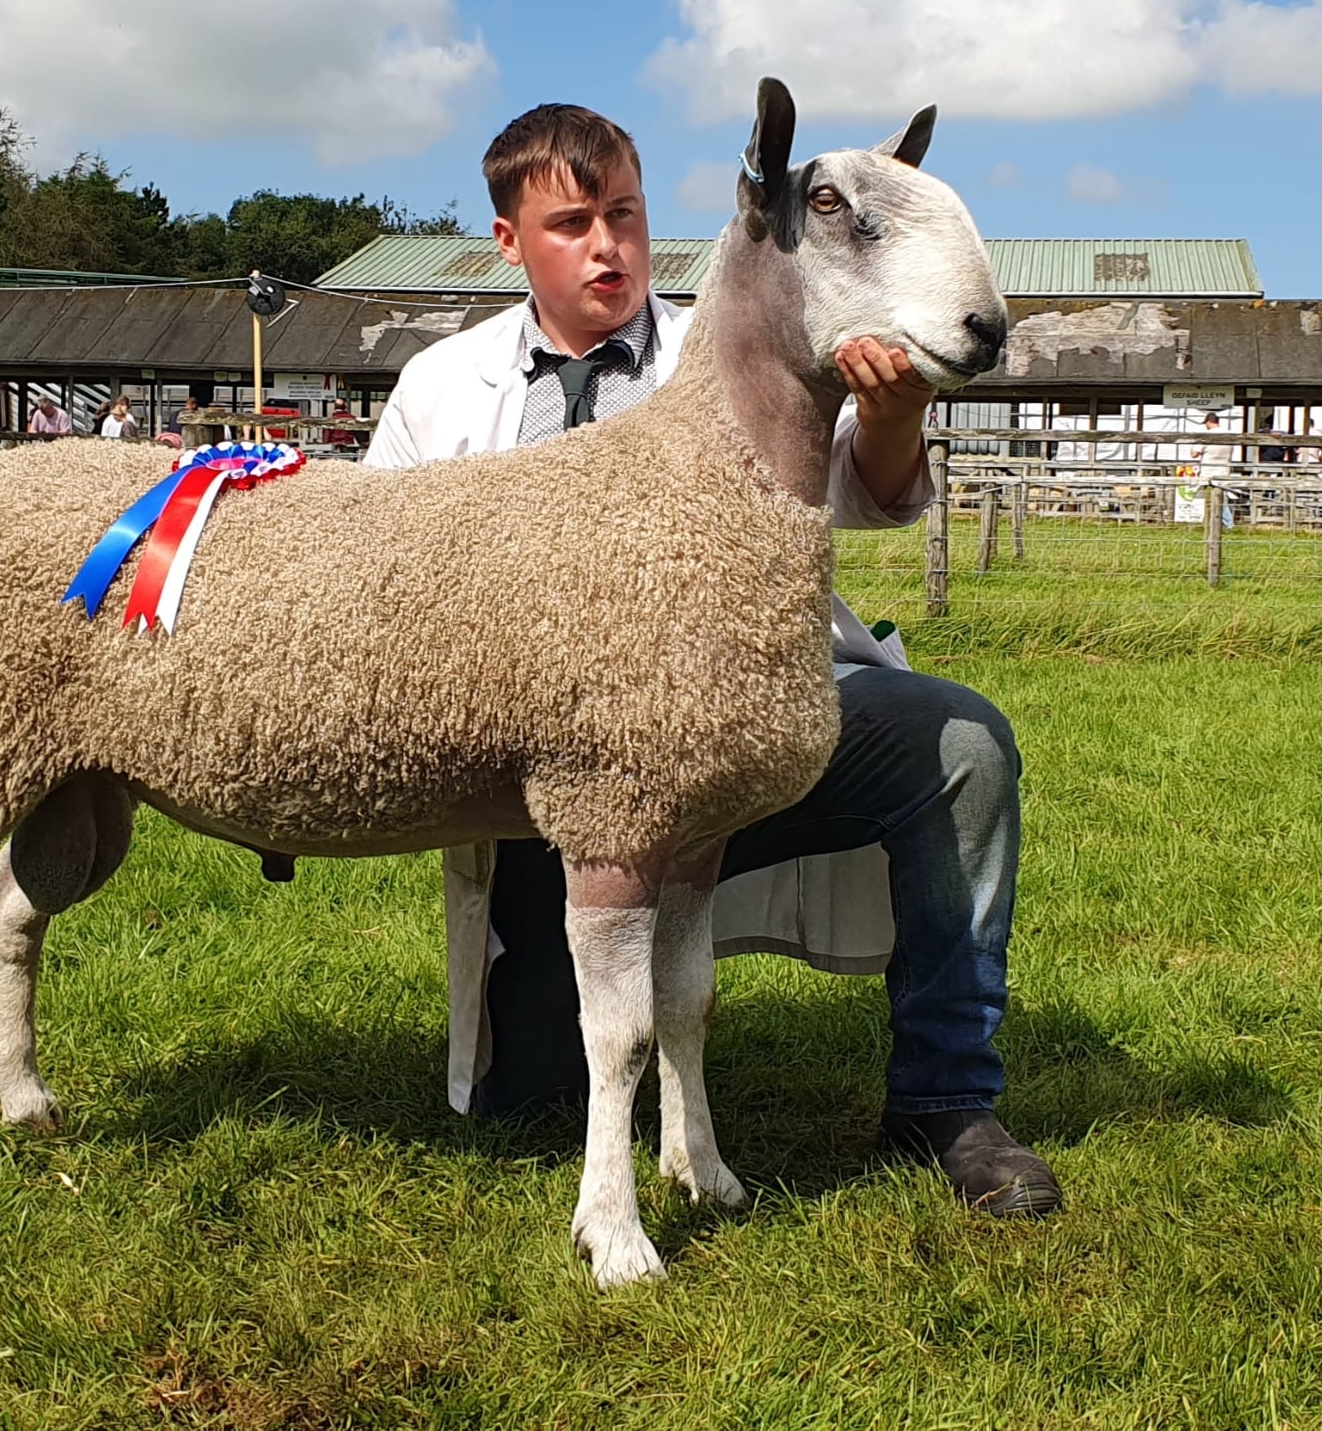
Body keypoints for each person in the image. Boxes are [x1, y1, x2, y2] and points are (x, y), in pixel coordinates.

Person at [363, 102, 1057, 1216]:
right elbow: (386, 579)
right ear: (508, 244)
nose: (607, 246)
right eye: (572, 223)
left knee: (961, 743)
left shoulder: (743, 329)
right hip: (540, 776)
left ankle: (947, 1099)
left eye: (625, 216)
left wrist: (892, 411)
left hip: (756, 720)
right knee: (530, 1095)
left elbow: (868, 493)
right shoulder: (441, 387)